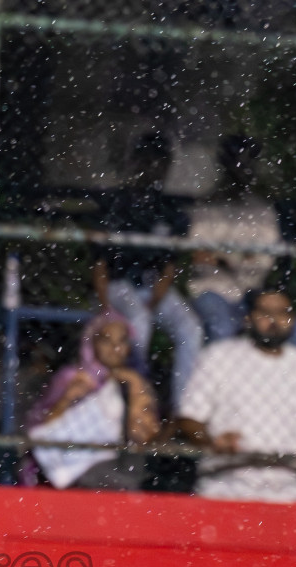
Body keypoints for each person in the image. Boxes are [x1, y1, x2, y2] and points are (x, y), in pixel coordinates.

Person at [175, 290, 296, 503]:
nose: (273, 320)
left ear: (293, 319)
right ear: (248, 318)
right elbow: (189, 419)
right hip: (223, 488)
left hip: (286, 493)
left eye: (282, 313)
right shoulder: (219, 356)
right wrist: (212, 442)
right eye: (265, 312)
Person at [92, 132, 204, 398]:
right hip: (117, 286)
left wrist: (154, 302)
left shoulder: (166, 209)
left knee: (191, 327)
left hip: (152, 287)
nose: (154, 167)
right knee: (138, 321)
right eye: (147, 160)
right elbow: (99, 265)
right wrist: (106, 308)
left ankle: (181, 408)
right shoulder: (116, 203)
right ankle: (131, 400)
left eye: (160, 161)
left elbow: (168, 268)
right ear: (135, 162)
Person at [24, 313, 161, 490]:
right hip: (74, 464)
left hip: (119, 464)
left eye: (122, 341)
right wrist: (67, 399)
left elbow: (142, 435)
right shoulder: (73, 377)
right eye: (106, 340)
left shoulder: (132, 382)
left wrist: (135, 390)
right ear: (92, 343)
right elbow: (44, 431)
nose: (115, 348)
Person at [185, 136, 280, 344]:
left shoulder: (262, 211)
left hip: (252, 294)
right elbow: (199, 257)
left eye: (247, 163)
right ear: (224, 166)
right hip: (211, 289)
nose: (242, 170)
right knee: (223, 328)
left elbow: (265, 262)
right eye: (236, 162)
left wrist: (223, 259)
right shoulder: (207, 207)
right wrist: (241, 258)